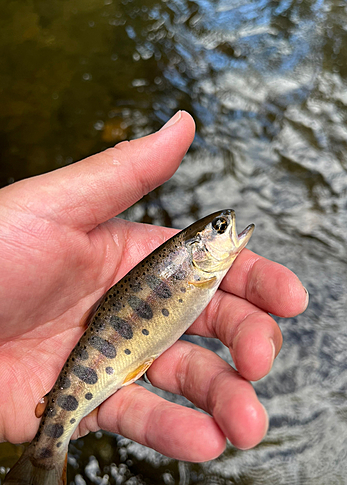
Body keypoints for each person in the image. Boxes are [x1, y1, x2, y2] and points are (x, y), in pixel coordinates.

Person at [0, 111, 308, 462]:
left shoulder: (201, 271)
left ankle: (45, 453)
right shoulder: (201, 273)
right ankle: (47, 452)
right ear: (199, 251)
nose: (228, 227)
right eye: (221, 227)